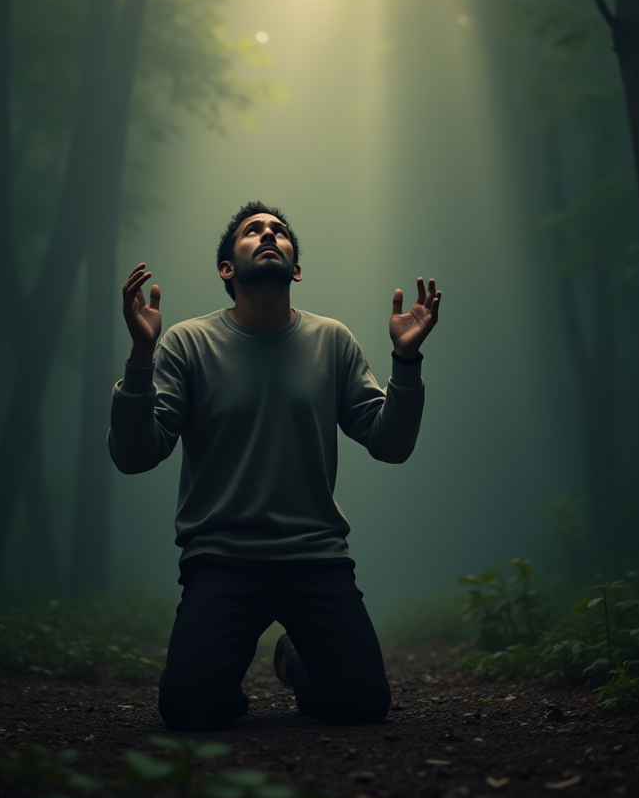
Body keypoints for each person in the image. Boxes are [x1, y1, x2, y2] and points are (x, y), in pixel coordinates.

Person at [108, 201, 440, 730]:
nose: (269, 235)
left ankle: (293, 658)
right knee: (188, 709)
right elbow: (134, 455)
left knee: (363, 703)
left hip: (314, 557)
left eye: (279, 232)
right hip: (220, 557)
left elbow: (390, 444)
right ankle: (222, 667)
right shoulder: (187, 343)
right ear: (227, 269)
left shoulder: (332, 340)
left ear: (296, 267)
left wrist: (406, 361)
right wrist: (141, 356)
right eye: (253, 231)